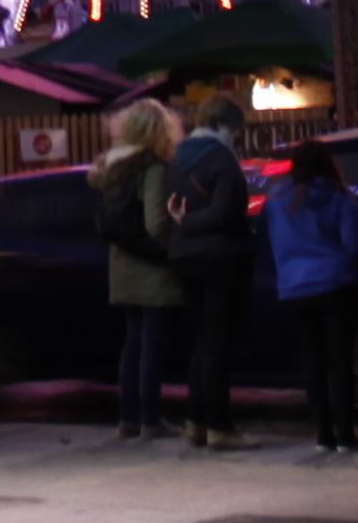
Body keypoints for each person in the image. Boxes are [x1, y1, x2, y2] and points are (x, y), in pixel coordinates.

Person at [162, 94, 263, 449]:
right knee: (218, 342)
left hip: (183, 257)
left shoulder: (177, 157)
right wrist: (191, 221)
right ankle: (220, 426)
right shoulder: (222, 158)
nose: (236, 138)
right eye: (235, 130)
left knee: (202, 340)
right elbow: (226, 212)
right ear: (225, 126)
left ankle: (195, 421)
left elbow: (169, 208)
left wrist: (182, 224)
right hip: (220, 258)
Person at [268, 135, 358, 453]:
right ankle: (345, 430)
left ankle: (323, 431)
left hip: (294, 289)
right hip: (336, 285)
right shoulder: (338, 199)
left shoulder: (276, 201)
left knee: (312, 359)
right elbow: (356, 245)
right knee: (340, 361)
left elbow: (269, 244)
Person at [93, 96, 179, 440]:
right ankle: (151, 419)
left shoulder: (112, 170)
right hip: (152, 269)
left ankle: (128, 418)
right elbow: (156, 223)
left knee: (132, 344)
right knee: (152, 345)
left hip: (122, 267)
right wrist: (172, 249)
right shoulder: (151, 168)